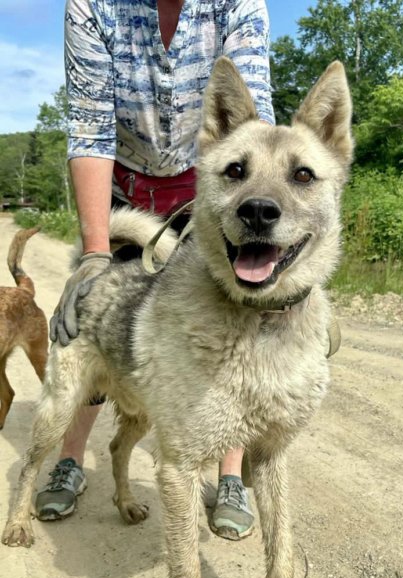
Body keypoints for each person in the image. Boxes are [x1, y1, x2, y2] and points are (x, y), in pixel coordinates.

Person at [35, 0, 275, 540]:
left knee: (229, 334)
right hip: (123, 190)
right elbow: (91, 129)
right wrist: (96, 254)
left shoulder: (239, 4)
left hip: (213, 194)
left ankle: (229, 474)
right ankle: (71, 459)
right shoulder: (91, 6)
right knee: (99, 329)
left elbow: (255, 121)